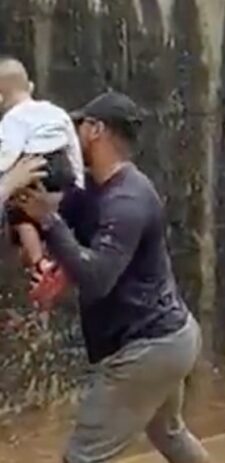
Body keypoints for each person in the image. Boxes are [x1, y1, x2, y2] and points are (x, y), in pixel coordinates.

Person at [15, 91, 209, 463]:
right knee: (170, 435)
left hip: (147, 348)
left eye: (79, 126)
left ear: (96, 130)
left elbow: (97, 277)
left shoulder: (128, 200)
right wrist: (39, 243)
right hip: (166, 339)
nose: (71, 136)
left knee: (82, 458)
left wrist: (49, 222)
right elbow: (43, 220)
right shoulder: (92, 190)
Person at [0, 57, 85, 306]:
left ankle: (40, 263)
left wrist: (8, 179)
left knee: (19, 214)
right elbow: (73, 146)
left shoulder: (12, 119)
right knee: (50, 215)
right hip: (61, 167)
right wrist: (78, 182)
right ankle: (59, 258)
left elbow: (7, 155)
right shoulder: (57, 112)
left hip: (34, 165)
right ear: (31, 87)